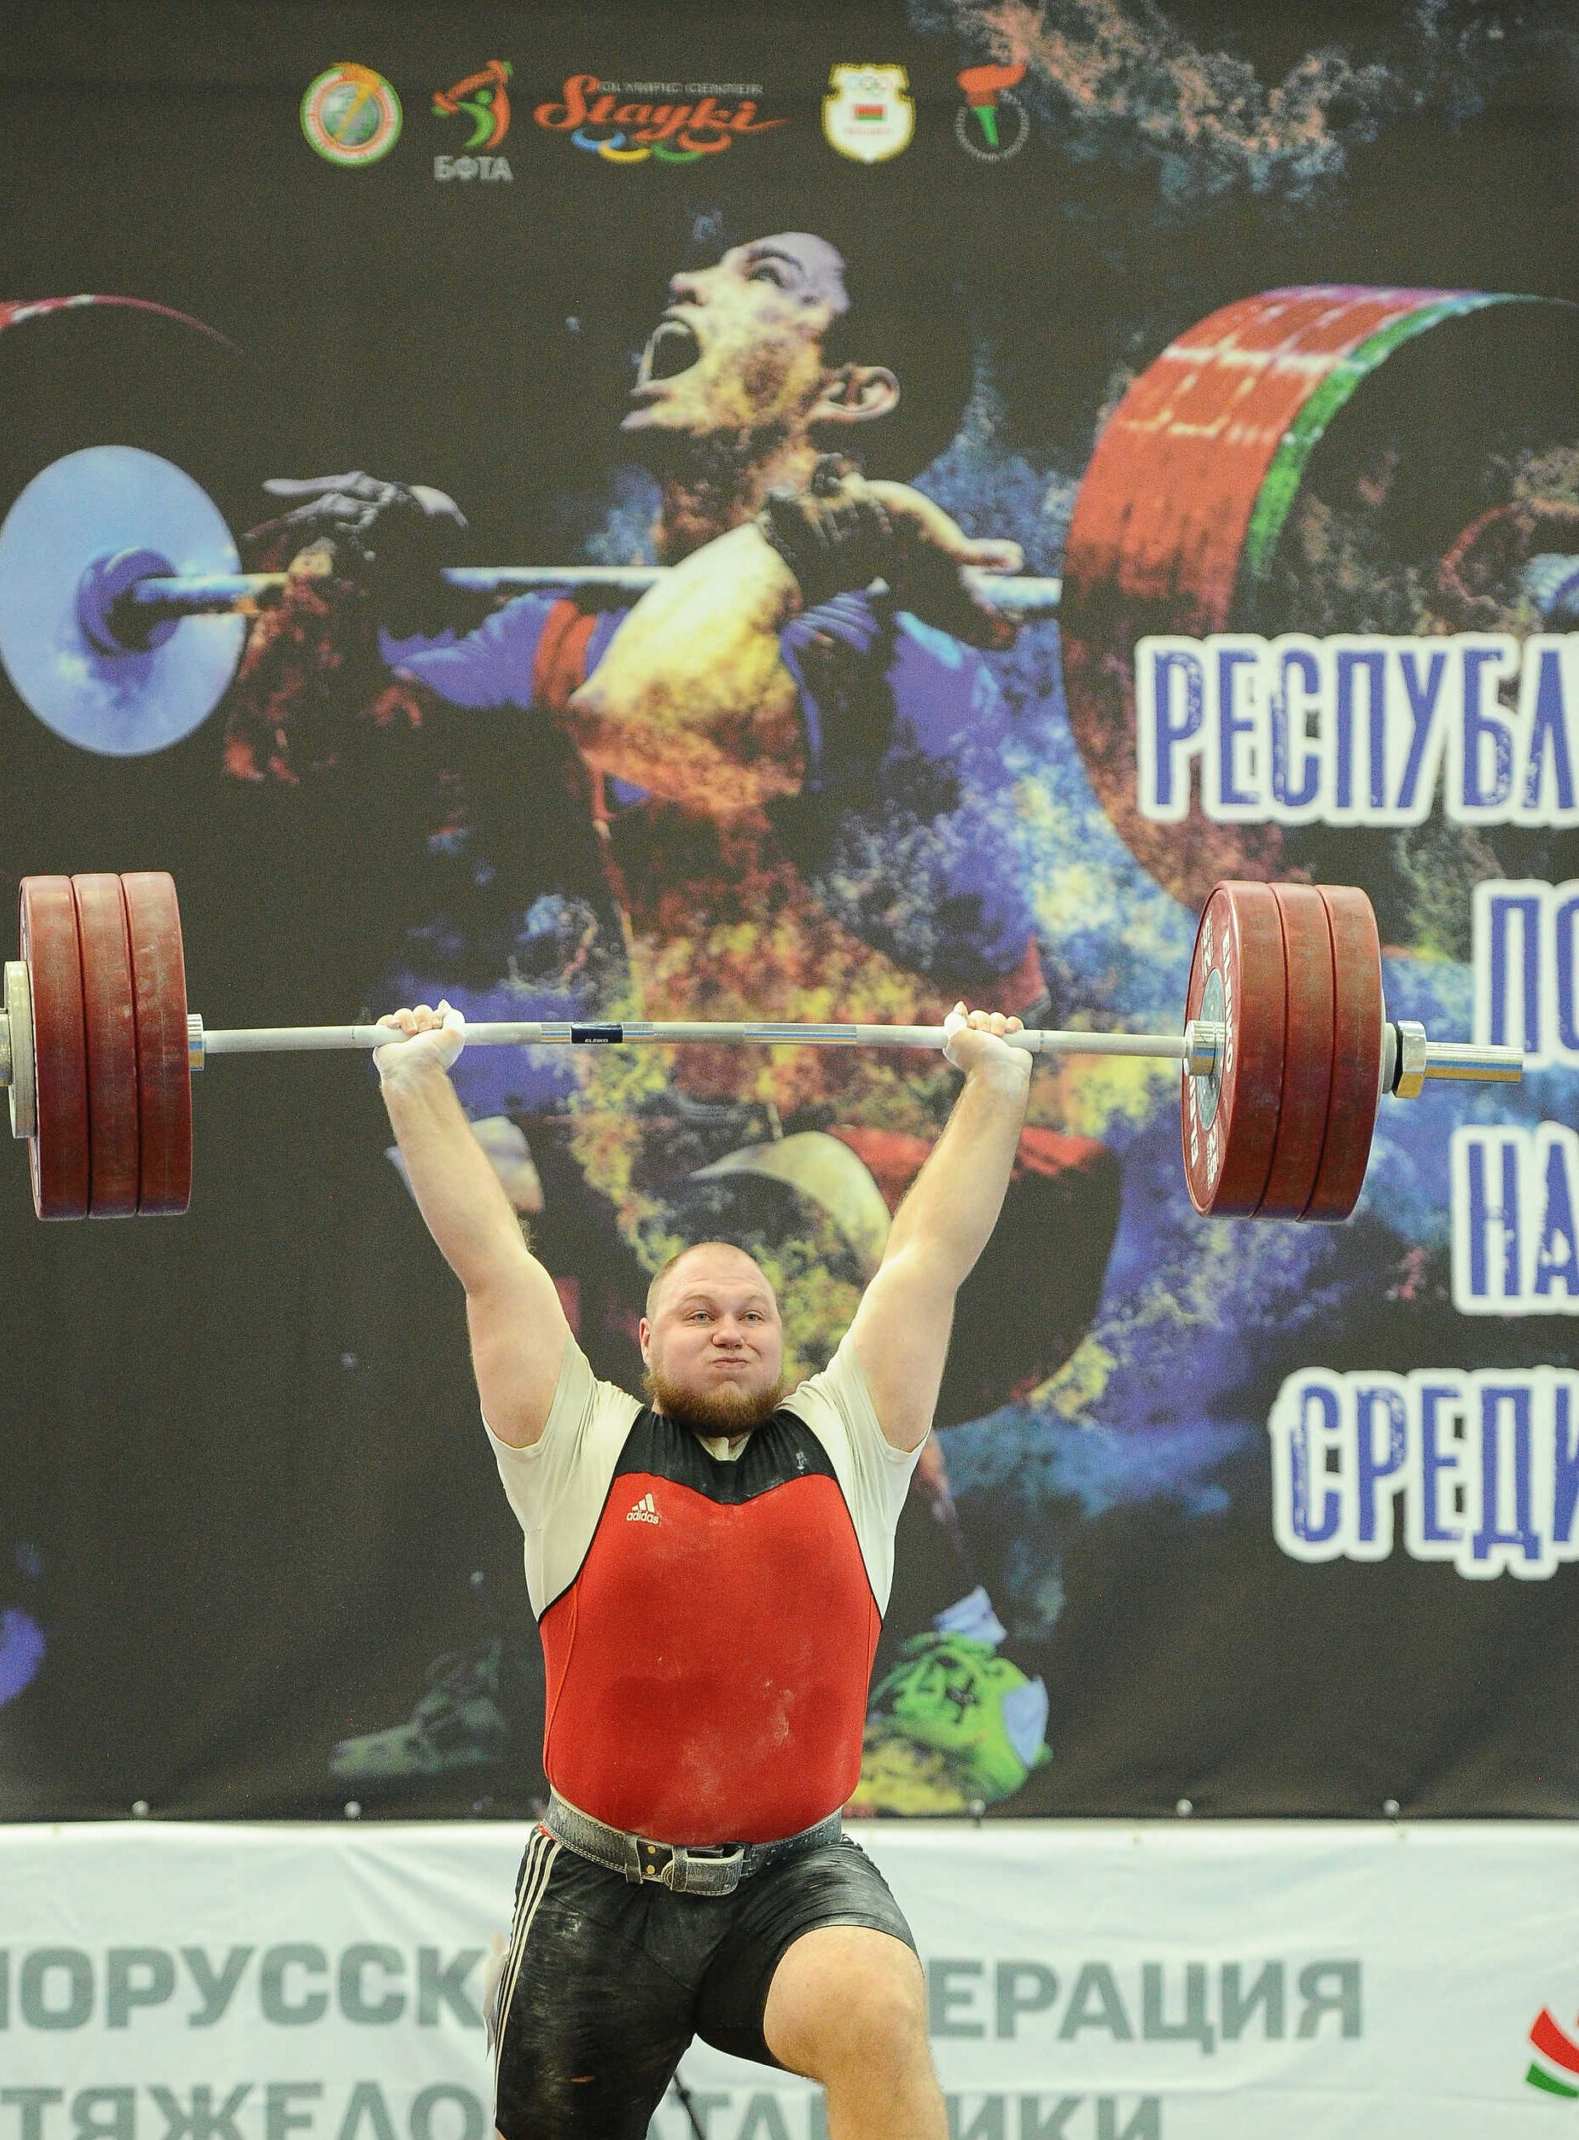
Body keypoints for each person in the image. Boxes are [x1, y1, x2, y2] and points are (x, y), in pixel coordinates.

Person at [237, 223, 1121, 1811]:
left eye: (764, 276)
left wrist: (816, 536)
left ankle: (959, 1654)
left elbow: (655, 715)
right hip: (700, 1143)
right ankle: (522, 1650)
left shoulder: (887, 647)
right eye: (704, 271)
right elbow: (283, 757)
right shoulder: (585, 627)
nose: (687, 287)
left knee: (735, 1226)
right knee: (438, 1199)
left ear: (854, 391)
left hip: (969, 1178)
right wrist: (336, 599)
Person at [373, 981, 1034, 2140]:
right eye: (698, 1312)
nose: (728, 1331)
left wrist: (995, 1086)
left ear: (787, 1336)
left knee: (876, 2010)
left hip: (789, 1877)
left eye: (751, 1314)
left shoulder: (854, 1439)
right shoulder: (574, 1444)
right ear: (646, 1334)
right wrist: (419, 1087)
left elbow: (930, 1255)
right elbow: (492, 1265)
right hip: (602, 1886)